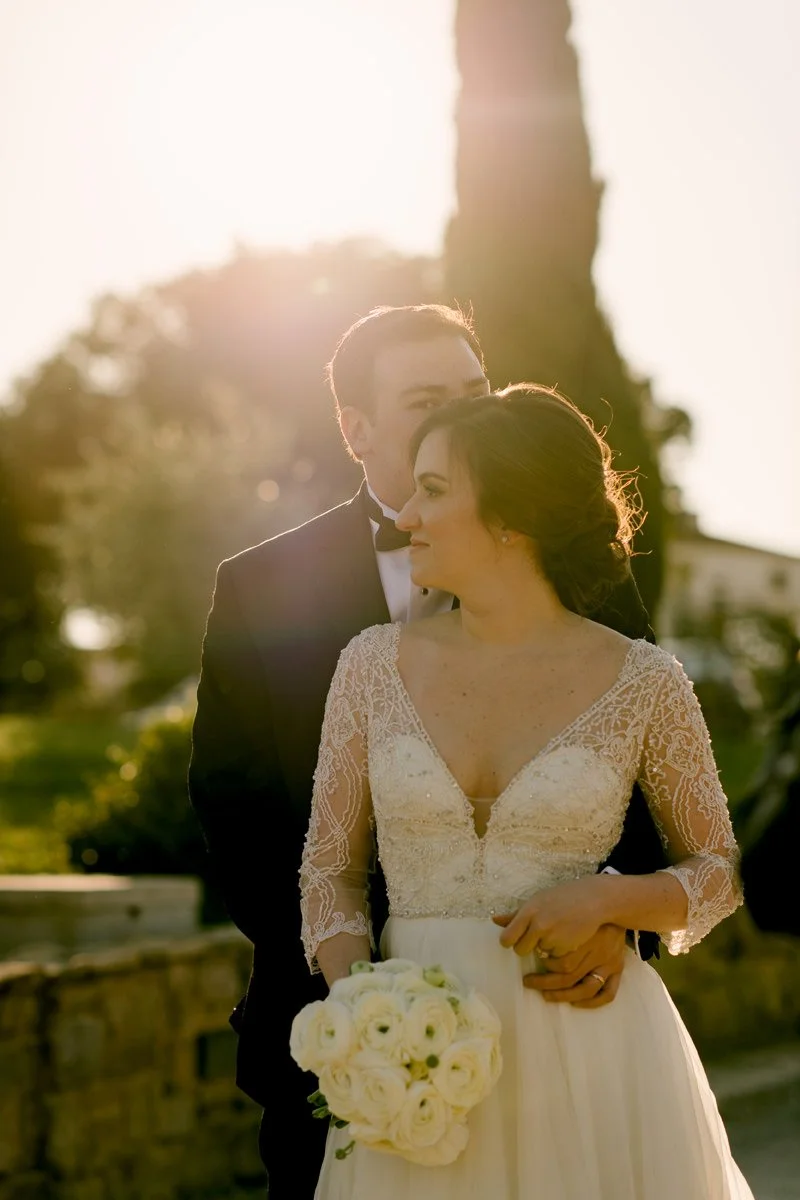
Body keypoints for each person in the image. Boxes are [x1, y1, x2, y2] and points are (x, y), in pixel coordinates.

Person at [188, 306, 662, 1199]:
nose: (464, 416)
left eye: (476, 393)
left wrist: (620, 920)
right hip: (346, 1037)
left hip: (567, 1014)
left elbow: (638, 768)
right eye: (426, 399)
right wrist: (361, 996)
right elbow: (238, 810)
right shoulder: (259, 589)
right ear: (355, 428)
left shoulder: (583, 564)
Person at [301, 385, 753, 1199]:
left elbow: (716, 872)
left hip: (591, 1056)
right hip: (411, 1069)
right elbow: (328, 872)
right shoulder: (370, 666)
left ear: (512, 518)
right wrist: (365, 1005)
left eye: (434, 490)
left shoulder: (646, 683)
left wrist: (610, 902)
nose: (406, 515)